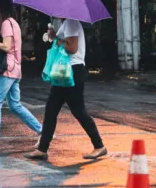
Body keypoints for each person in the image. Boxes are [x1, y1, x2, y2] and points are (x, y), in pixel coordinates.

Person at [24, 18, 107, 160]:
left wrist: (56, 39)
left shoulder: (70, 22)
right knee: (51, 109)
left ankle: (99, 145)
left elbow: (72, 47)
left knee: (78, 110)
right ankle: (42, 148)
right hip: (65, 71)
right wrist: (54, 36)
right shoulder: (66, 23)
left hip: (72, 71)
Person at [0, 0, 43, 152]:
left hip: (7, 70)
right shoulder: (14, 23)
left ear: (0, 8)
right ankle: (42, 131)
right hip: (16, 69)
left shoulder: (7, 24)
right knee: (15, 105)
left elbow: (6, 47)